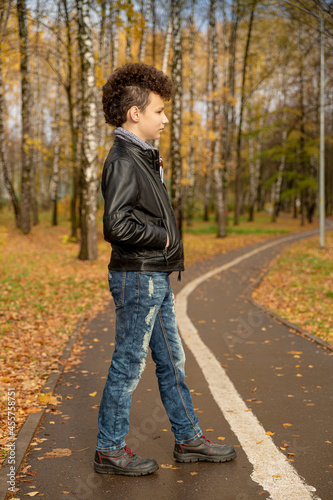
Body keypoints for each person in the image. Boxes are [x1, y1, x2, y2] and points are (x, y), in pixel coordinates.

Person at [94, 62, 236, 476]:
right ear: (135, 113)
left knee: (172, 360)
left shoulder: (143, 156)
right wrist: (165, 239)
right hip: (138, 277)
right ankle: (108, 448)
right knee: (129, 362)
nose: (166, 118)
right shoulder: (123, 159)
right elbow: (116, 224)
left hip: (152, 276)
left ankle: (188, 438)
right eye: (159, 110)